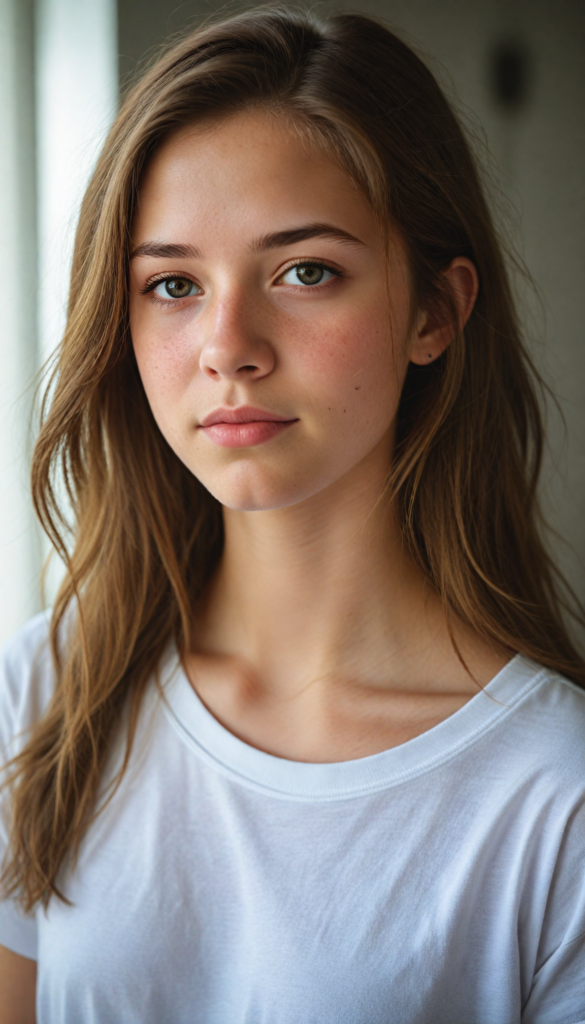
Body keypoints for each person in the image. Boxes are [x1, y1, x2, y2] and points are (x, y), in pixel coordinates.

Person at [1, 6, 584, 1022]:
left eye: (305, 271)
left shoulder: (554, 792)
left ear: (434, 314)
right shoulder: (43, 697)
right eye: (173, 283)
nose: (228, 345)